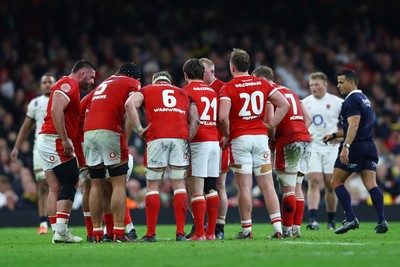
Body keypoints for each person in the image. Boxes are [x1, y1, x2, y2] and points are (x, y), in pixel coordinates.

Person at [219, 48, 290, 239]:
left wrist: (226, 135)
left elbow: (223, 116)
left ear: (232, 67)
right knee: (267, 185)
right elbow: (284, 104)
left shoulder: (228, 87)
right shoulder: (262, 83)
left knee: (244, 187)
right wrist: (270, 125)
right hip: (260, 138)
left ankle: (247, 230)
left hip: (240, 139)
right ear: (248, 66)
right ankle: (277, 230)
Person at [125, 71, 200, 242]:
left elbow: (129, 105)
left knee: (153, 185)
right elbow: (195, 120)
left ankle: (151, 234)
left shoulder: (147, 90)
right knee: (179, 184)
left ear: (154, 81)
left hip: (156, 137)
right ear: (169, 81)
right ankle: (180, 233)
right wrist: (186, 138)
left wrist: (139, 129)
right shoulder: (184, 93)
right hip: (179, 137)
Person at [37, 59, 96, 243]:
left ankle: (57, 232)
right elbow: (56, 110)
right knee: (70, 180)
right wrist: (64, 139)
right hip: (54, 139)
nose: (92, 82)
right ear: (83, 74)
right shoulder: (68, 84)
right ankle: (61, 232)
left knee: (54, 187)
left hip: (47, 139)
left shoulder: (70, 86)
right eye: (91, 77)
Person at [323, 69, 388, 234]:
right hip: (369, 146)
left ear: (352, 82)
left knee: (336, 182)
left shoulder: (351, 100)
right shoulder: (365, 99)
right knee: (371, 184)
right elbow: (354, 127)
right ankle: (382, 221)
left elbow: (354, 125)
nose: (338, 86)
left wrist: (346, 146)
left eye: (341, 82)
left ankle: (351, 218)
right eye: (337, 82)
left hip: (356, 146)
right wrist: (333, 135)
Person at [83, 63, 141, 243]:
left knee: (96, 185)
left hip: (89, 133)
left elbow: (82, 107)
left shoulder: (103, 83)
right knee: (118, 184)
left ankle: (96, 233)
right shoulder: (133, 83)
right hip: (110, 131)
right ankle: (118, 232)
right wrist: (126, 136)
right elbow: (131, 109)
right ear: (136, 78)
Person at [252, 66, 312, 238]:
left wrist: (272, 140)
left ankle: (285, 230)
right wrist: (298, 132)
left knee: (288, 189)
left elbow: (271, 123)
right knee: (297, 186)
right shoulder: (291, 92)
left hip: (288, 141)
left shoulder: (269, 95)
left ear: (262, 79)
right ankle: (296, 229)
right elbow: (308, 118)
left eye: (256, 81)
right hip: (305, 140)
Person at [10, 73, 56, 235]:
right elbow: (26, 127)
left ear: (55, 83)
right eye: (44, 82)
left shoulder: (61, 99)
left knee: (56, 185)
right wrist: (16, 147)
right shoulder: (35, 103)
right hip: (40, 147)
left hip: (58, 146)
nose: (47, 85)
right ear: (39, 85)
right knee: (43, 183)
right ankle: (44, 223)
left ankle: (58, 221)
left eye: (50, 82)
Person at [182, 59, 220, 240]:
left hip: (198, 142)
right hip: (214, 142)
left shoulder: (185, 92)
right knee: (211, 188)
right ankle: (211, 232)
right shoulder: (212, 91)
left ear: (186, 75)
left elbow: (189, 120)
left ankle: (199, 233)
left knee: (196, 189)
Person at [302, 72, 343, 230]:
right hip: (313, 146)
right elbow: (299, 123)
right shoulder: (304, 103)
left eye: (317, 84)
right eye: (311, 85)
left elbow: (348, 123)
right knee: (314, 180)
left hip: (331, 147)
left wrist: (339, 137)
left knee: (331, 184)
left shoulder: (337, 102)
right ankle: (312, 219)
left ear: (325, 85)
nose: (314, 88)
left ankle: (331, 220)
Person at [199, 57, 228, 239]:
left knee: (219, 186)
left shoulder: (223, 88)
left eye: (203, 71)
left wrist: (227, 135)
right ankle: (202, 225)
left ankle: (219, 226)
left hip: (219, 143)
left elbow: (227, 116)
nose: (200, 75)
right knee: (199, 186)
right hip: (201, 143)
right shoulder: (196, 88)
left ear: (212, 72)